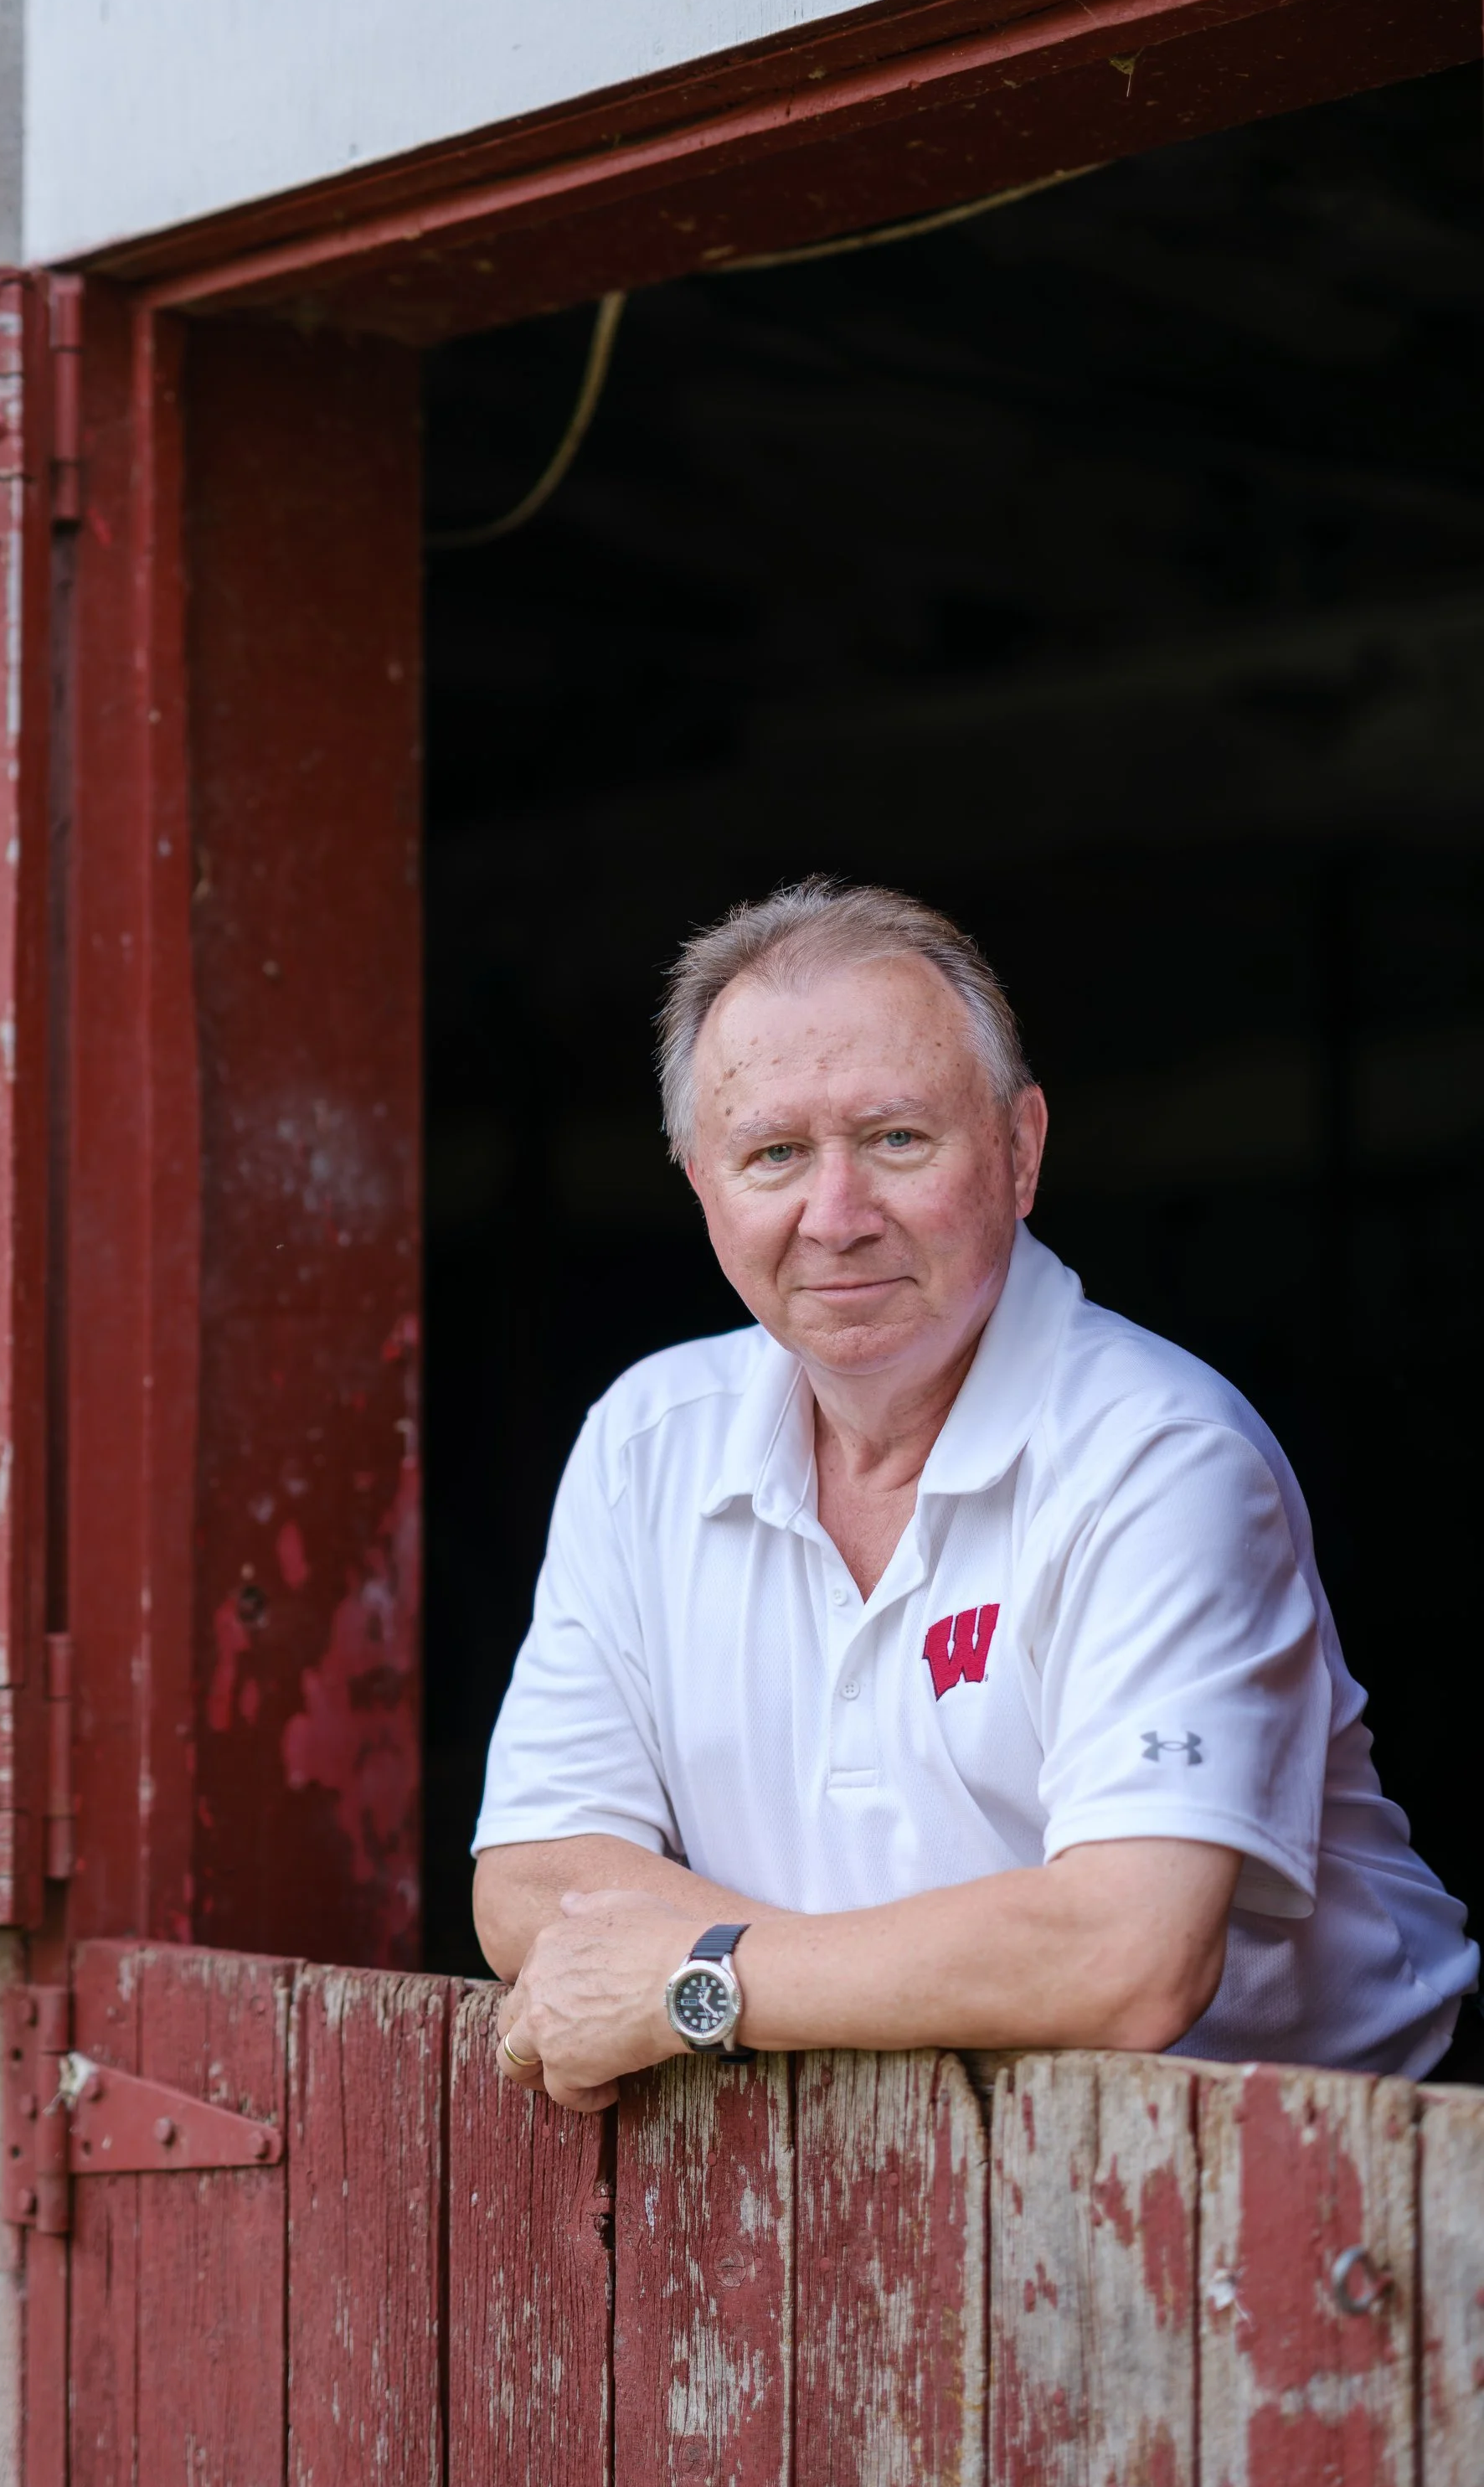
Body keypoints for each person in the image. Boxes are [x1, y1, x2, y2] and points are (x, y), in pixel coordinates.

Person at [473, 880, 1477, 2112]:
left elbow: (1126, 1959)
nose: (835, 1218)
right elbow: (526, 1880)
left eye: (897, 1139)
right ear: (701, 1187)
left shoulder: (1158, 1455)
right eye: (774, 1154)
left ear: (1021, 1151)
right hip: (899, 2168)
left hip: (1322, 2183)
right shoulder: (645, 1442)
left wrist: (704, 1983)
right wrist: (875, 1982)